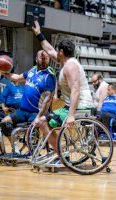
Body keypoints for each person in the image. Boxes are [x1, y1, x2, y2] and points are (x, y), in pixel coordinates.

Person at [31, 21, 94, 155]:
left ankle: (59, 154)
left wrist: (71, 115)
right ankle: (59, 150)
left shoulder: (70, 66)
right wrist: (39, 34)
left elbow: (75, 90)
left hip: (81, 106)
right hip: (74, 105)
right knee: (47, 120)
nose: (55, 52)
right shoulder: (65, 61)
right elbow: (49, 50)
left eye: (57, 50)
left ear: (61, 52)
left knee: (42, 121)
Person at [1, 50, 56, 155]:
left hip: (36, 112)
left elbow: (48, 100)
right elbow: (16, 78)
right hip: (22, 111)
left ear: (49, 60)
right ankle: (15, 147)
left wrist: (39, 116)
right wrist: (5, 73)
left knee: (30, 132)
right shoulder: (31, 71)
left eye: (46, 57)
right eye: (41, 56)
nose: (44, 58)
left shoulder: (49, 77)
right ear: (36, 59)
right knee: (4, 122)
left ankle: (35, 151)